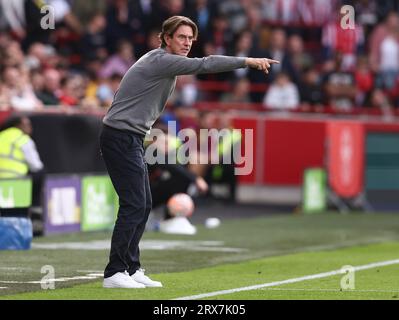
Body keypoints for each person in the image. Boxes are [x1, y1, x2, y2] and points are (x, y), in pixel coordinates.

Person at [99, 15, 279, 289]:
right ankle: (115, 272)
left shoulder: (161, 61)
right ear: (167, 38)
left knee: (143, 204)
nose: (187, 43)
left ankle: (132, 267)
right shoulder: (161, 60)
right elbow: (205, 64)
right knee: (134, 204)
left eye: (190, 38)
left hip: (131, 137)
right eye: (181, 37)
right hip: (120, 137)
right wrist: (247, 61)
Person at [0, 115, 44, 213]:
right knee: (41, 173)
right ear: (18, 125)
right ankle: (36, 208)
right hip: (17, 181)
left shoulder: (1, 135)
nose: (30, 127)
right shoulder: (22, 139)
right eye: (27, 124)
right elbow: (36, 166)